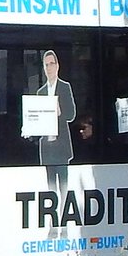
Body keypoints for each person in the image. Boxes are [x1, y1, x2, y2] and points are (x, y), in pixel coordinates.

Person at [35, 50, 76, 217]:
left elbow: (72, 114)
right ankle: (53, 222)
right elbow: (36, 121)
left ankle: (65, 220)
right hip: (47, 148)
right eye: (46, 65)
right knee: (51, 189)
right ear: (44, 68)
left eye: (52, 64)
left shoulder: (65, 87)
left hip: (61, 147)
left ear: (57, 66)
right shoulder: (40, 92)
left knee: (64, 186)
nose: (49, 67)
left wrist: (61, 112)